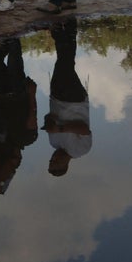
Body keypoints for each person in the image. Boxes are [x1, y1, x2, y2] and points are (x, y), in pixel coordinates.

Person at [44, 18, 91, 177]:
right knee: (65, 62)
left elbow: (50, 118)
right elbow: (84, 129)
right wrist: (60, 128)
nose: (53, 158)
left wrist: (48, 123)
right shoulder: (81, 150)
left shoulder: (53, 143)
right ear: (65, 166)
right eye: (56, 162)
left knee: (65, 61)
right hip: (74, 100)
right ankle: (60, 30)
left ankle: (68, 30)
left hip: (56, 97)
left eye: (51, 161)